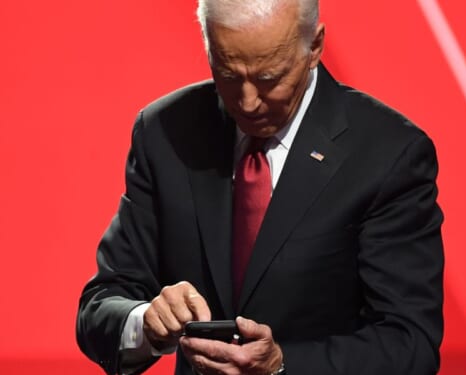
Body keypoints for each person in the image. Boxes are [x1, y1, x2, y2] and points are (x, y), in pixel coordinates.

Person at [76, 0, 444, 374]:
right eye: (228, 74)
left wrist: (282, 367)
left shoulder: (388, 154)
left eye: (269, 78)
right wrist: (147, 323)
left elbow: (409, 345)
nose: (248, 102)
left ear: (314, 46)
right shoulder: (165, 133)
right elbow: (99, 309)